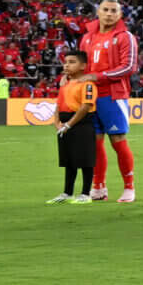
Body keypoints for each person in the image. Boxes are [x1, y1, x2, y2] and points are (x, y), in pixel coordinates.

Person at [79, 0, 138, 202]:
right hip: (90, 96)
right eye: (106, 9)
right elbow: (81, 66)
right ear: (98, 12)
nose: (109, 14)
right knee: (94, 143)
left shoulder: (125, 37)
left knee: (118, 141)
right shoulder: (87, 37)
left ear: (120, 15)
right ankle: (98, 187)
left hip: (113, 95)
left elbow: (129, 67)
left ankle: (129, 187)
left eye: (114, 11)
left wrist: (98, 76)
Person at [52, 49, 98, 203]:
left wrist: (69, 125)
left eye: (72, 62)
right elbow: (58, 104)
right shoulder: (64, 84)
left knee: (85, 159)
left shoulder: (88, 85)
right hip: (65, 124)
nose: (66, 65)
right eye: (65, 62)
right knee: (69, 160)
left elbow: (85, 107)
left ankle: (86, 194)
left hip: (81, 124)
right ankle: (67, 193)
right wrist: (57, 123)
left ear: (83, 66)